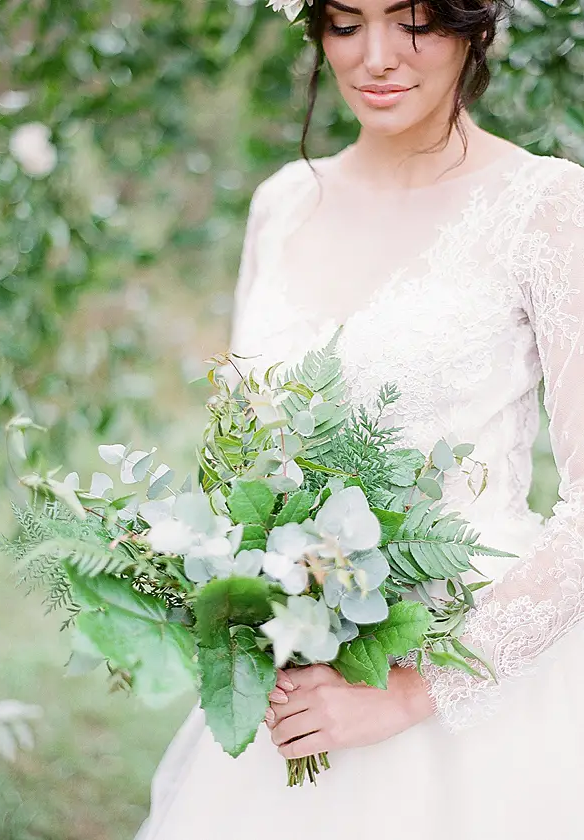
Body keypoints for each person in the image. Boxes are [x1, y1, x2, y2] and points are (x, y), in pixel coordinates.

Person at [137, 0, 584, 837]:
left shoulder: (547, 207)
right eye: (346, 23)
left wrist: (413, 692)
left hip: (473, 694)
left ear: (471, 26)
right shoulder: (281, 202)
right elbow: (239, 459)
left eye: (412, 22)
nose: (376, 57)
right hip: (290, 678)